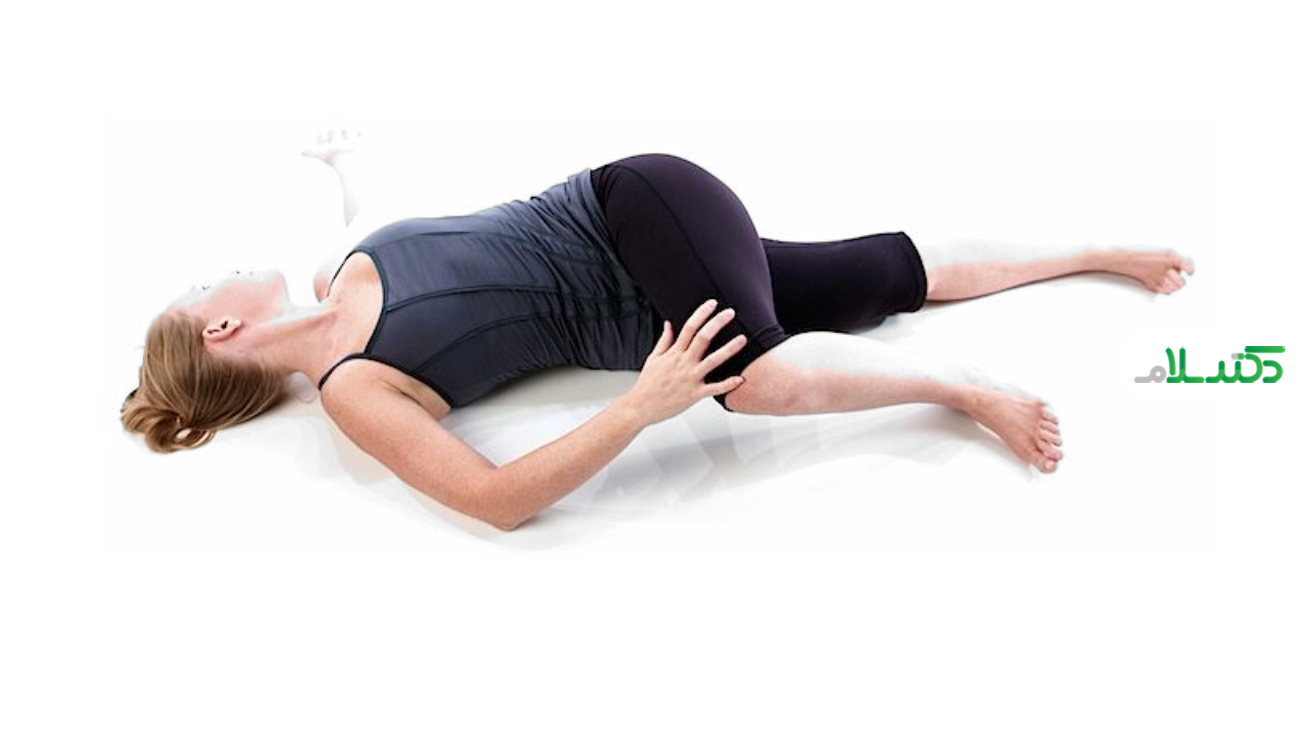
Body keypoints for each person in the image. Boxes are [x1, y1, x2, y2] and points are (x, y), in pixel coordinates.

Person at [120, 130, 1195, 531]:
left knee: (751, 377)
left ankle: (968, 389)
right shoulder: (356, 388)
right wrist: (642, 404)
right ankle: (1097, 252)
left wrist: (343, 158)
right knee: (875, 277)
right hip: (661, 298)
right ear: (222, 328)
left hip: (634, 201)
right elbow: (496, 500)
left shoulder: (333, 269)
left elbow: (375, 214)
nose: (220, 272)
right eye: (205, 287)